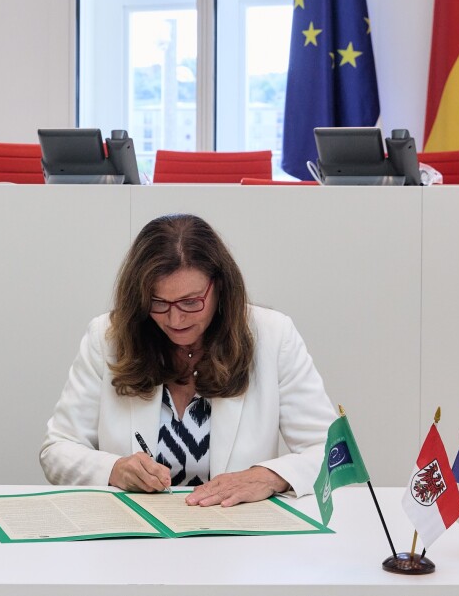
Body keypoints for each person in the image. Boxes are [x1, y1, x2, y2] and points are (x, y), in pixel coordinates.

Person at [40, 213, 337, 506]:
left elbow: (334, 451)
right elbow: (57, 450)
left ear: (220, 287)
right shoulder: (107, 337)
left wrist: (270, 476)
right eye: (158, 303)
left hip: (239, 542)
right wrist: (113, 470)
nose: (175, 318)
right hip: (132, 539)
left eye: (191, 302)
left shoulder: (272, 336)